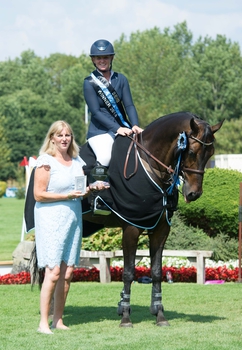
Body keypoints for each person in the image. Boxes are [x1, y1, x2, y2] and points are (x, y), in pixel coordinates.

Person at [34, 120, 106, 334]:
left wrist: (93, 187)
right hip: (50, 219)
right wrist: (67, 195)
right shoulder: (46, 161)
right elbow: (39, 194)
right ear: (52, 138)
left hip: (72, 219)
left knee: (67, 273)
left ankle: (58, 320)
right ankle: (43, 323)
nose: (64, 139)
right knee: (53, 271)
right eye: (60, 135)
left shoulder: (76, 161)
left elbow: (79, 189)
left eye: (68, 135)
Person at [83, 39, 143, 213]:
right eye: (98, 58)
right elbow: (96, 112)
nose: (102, 60)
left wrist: (135, 125)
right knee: (105, 154)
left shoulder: (121, 79)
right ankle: (98, 199)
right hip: (100, 131)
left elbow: (129, 105)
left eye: (106, 57)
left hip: (123, 127)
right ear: (93, 60)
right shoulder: (89, 82)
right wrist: (117, 128)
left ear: (111, 58)